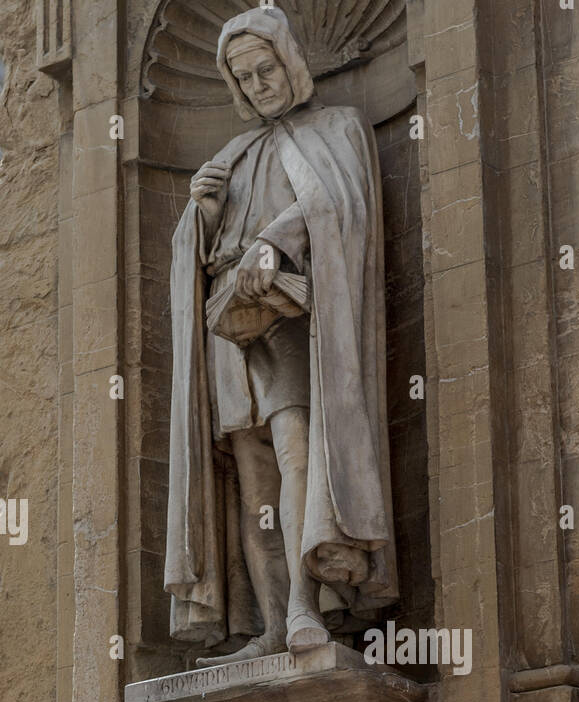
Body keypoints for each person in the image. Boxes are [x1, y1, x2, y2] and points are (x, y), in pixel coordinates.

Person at [164, 5, 397, 664]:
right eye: (246, 78)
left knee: (298, 454)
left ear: (290, 61)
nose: (260, 84)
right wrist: (204, 216)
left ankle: (305, 606)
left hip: (290, 319)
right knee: (254, 479)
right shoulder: (233, 155)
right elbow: (202, 254)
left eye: (266, 68)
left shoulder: (336, 128)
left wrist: (275, 240)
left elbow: (338, 206)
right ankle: (270, 625)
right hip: (227, 329)